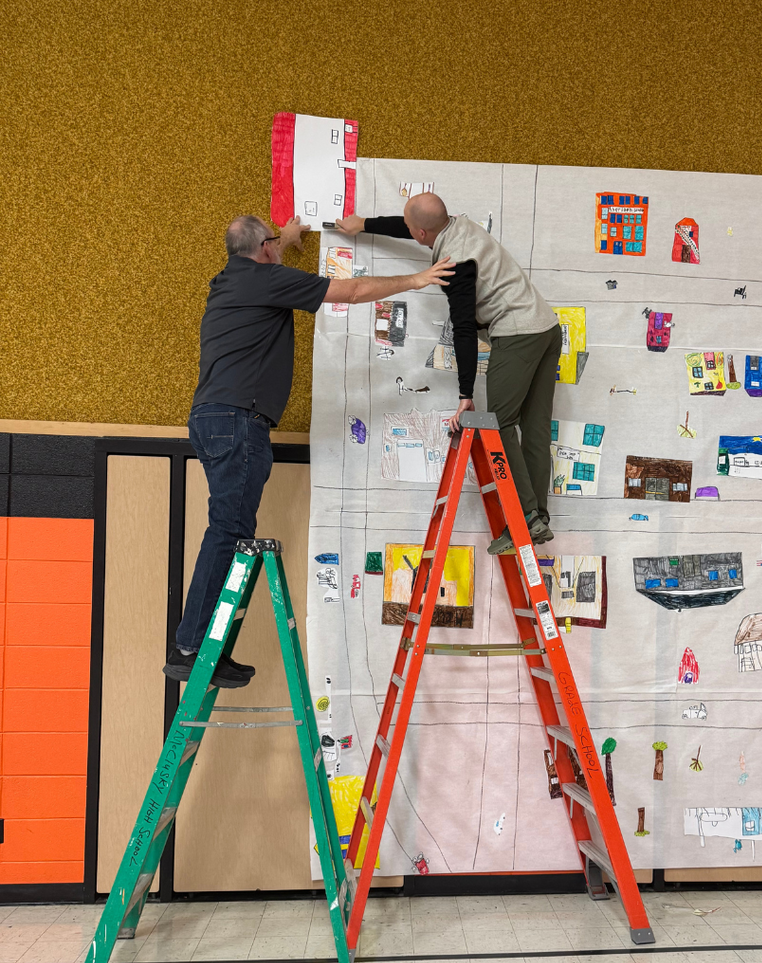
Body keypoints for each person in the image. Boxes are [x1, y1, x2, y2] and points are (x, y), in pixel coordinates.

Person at [164, 214, 454, 688]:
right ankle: (192, 648)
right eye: (274, 247)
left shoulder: (230, 279)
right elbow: (354, 292)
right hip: (238, 421)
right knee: (228, 531)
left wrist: (289, 238)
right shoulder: (265, 277)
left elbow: (260, 251)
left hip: (215, 419)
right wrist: (418, 277)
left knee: (230, 528)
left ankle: (198, 646)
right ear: (265, 250)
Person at [337, 193, 560, 555]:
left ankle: (526, 520)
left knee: (500, 424)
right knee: (534, 428)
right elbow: (413, 223)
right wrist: (363, 224)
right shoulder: (458, 223)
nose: (409, 232)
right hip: (547, 328)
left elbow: (464, 331)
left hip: (517, 334)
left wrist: (464, 394)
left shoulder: (455, 265)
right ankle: (537, 520)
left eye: (412, 230)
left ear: (422, 233)